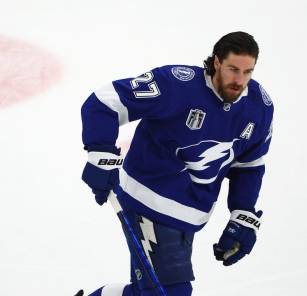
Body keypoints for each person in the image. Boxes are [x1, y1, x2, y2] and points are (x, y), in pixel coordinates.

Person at [78, 31, 274, 296]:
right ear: (217, 62)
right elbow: (104, 102)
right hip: (148, 199)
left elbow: (249, 163)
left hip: (190, 214)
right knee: (172, 292)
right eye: (233, 69)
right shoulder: (177, 85)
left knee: (150, 292)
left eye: (247, 72)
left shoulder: (259, 107)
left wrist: (243, 213)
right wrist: (100, 155)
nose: (240, 81)